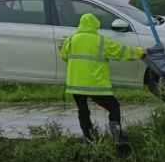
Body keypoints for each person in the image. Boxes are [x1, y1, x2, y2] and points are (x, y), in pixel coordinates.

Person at [59, 13, 147, 151]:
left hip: (76, 85)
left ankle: (88, 139)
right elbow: (121, 52)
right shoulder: (102, 41)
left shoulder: (70, 40)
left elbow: (64, 56)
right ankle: (118, 138)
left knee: (83, 111)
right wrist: (140, 51)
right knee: (114, 108)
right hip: (96, 85)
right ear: (96, 25)